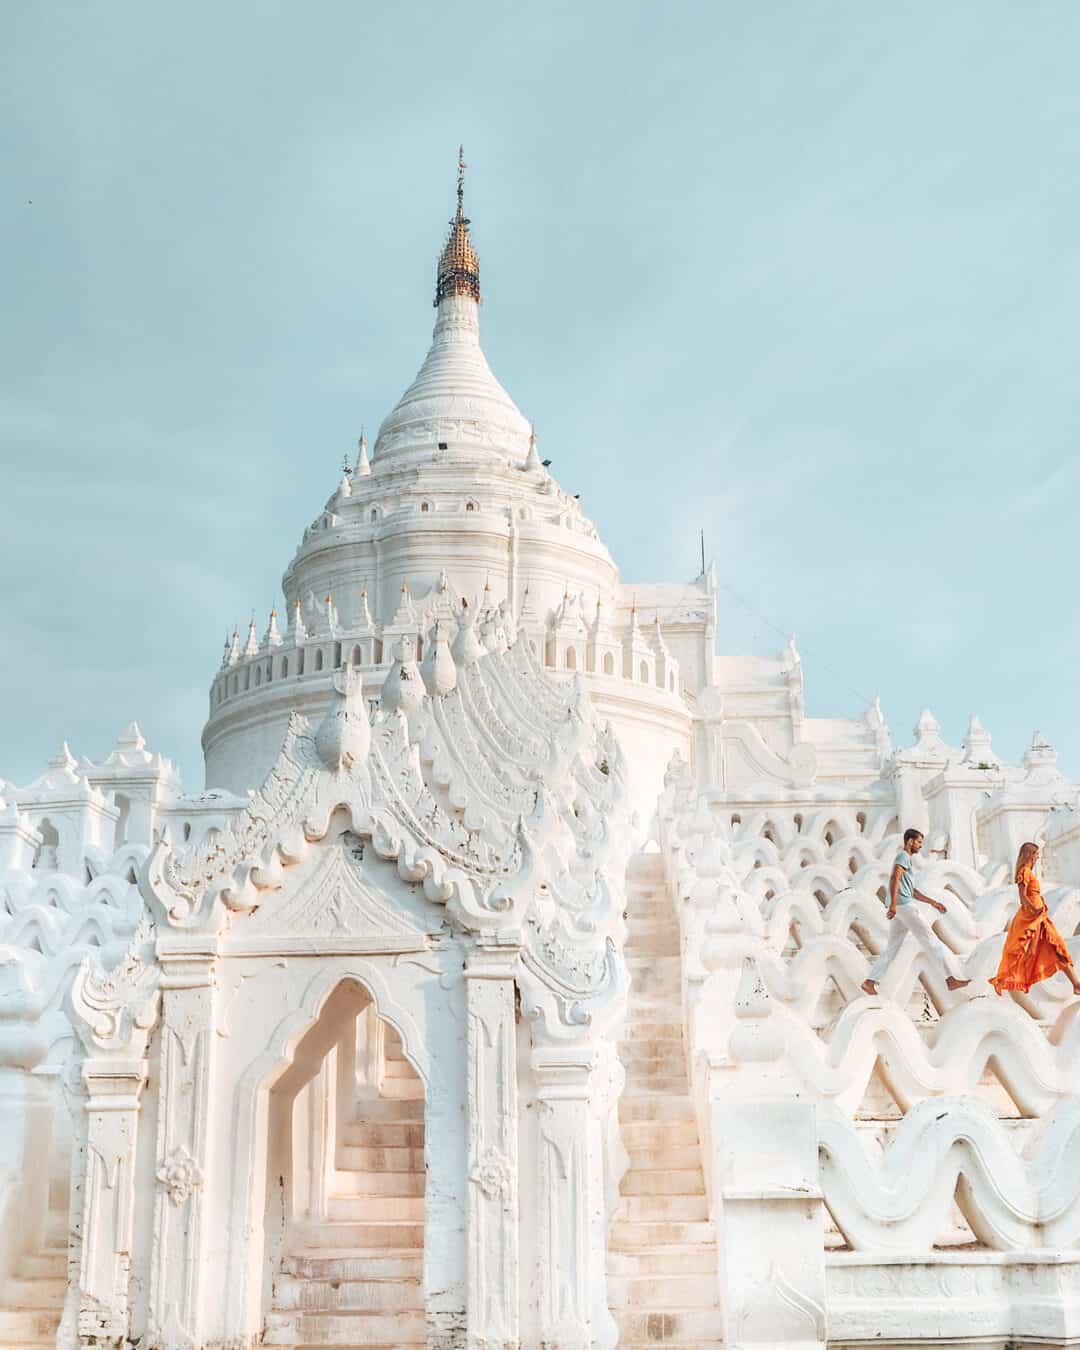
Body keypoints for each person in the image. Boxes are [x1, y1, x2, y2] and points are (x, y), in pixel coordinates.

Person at [860, 828, 970, 996]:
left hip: (901, 907)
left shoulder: (907, 861)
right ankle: (950, 979)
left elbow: (912, 890)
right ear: (910, 842)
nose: (920, 846)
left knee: (893, 947)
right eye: (919, 842)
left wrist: (933, 903)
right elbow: (894, 878)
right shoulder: (903, 856)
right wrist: (893, 905)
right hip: (904, 907)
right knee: (931, 940)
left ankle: (870, 982)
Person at [989, 842, 1080, 996]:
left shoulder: (1029, 872)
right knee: (1026, 951)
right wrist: (1035, 909)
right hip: (1031, 918)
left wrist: (1040, 908)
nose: (1038, 857)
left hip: (1040, 917)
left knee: (1058, 947)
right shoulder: (1024, 872)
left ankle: (1076, 984)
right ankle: (1002, 979)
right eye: (1036, 854)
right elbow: (1023, 897)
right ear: (1029, 854)